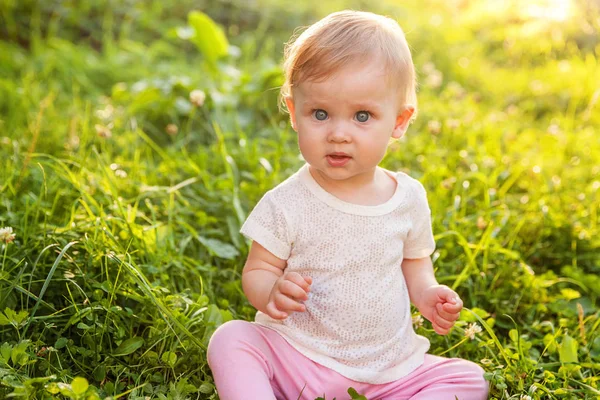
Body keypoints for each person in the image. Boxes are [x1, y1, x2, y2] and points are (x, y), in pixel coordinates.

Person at [207, 10, 489, 400]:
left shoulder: (407, 198)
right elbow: (258, 270)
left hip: (387, 371)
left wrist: (426, 294)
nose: (339, 134)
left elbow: (415, 263)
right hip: (297, 357)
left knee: (467, 380)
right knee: (231, 339)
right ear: (294, 112)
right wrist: (271, 290)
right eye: (320, 114)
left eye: (362, 116)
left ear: (399, 122)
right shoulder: (287, 202)